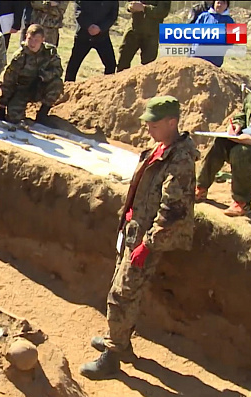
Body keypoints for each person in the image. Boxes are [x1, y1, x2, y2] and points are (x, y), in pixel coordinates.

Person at [80, 96, 199, 380]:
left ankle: (112, 356)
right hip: (135, 229)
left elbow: (173, 211)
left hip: (148, 237)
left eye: (154, 125)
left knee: (121, 294)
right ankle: (121, 341)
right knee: (123, 288)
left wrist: (148, 244)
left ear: (172, 123)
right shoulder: (161, 148)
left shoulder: (179, 160)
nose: (148, 130)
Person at [196, 64, 251, 217]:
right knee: (220, 143)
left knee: (240, 152)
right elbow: (243, 113)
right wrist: (237, 125)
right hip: (250, 143)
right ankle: (200, 188)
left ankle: (241, 203)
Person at [0, 24, 63, 124]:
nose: (32, 43)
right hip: (23, 89)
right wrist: (2, 105)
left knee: (56, 83)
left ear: (43, 40)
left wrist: (43, 76)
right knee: (13, 118)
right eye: (30, 39)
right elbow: (9, 80)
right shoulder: (20, 56)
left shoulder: (50, 52)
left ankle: (42, 113)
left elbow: (58, 70)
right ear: (25, 37)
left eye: (36, 40)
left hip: (41, 86)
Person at [64, 0, 118, 82]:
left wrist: (100, 28)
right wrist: (88, 26)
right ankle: (67, 89)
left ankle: (106, 88)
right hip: (83, 35)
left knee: (111, 64)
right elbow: (78, 11)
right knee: (73, 65)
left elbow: (113, 16)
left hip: (102, 36)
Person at [116, 1, 171, 72]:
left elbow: (163, 11)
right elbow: (128, 3)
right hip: (133, 30)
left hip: (151, 34)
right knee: (122, 63)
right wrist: (130, 6)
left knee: (148, 68)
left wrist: (144, 8)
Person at [191, 1, 234, 68]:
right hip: (198, 54)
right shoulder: (204, 17)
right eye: (218, 2)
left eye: (223, 3)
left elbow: (232, 40)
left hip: (215, 59)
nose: (220, 5)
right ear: (214, 3)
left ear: (227, 6)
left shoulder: (229, 21)